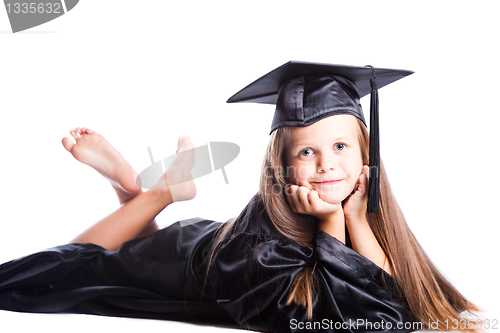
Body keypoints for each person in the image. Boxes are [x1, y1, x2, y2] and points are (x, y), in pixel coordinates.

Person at [0, 61, 483, 333]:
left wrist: (354, 215)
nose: (326, 164)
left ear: (366, 155)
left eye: (340, 147)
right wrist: (334, 226)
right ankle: (159, 192)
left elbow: (389, 303)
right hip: (184, 259)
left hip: (203, 241)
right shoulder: (259, 254)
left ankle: (132, 190)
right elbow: (335, 322)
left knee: (115, 250)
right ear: (283, 166)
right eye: (307, 151)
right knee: (65, 266)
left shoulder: (356, 209)